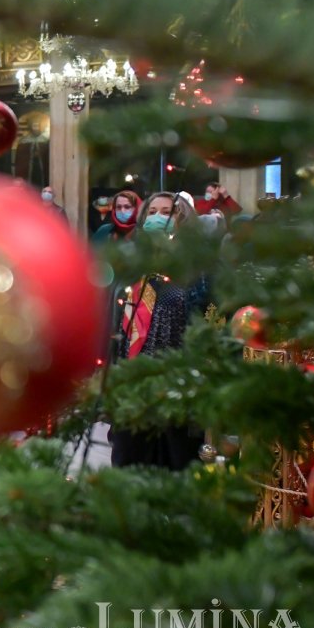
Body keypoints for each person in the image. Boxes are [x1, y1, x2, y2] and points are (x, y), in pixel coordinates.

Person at [111, 191, 206, 470]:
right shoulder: (135, 263)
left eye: (167, 212)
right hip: (135, 378)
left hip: (178, 380)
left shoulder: (196, 266)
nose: (157, 218)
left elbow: (207, 315)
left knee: (176, 461)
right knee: (130, 459)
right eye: (151, 213)